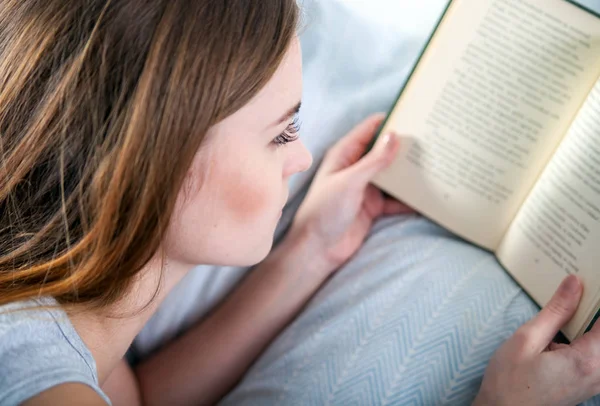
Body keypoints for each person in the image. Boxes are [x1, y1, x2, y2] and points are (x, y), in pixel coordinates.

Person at [1, 1, 599, 405]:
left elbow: (137, 398)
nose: (303, 158)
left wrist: (310, 249)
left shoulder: (49, 325)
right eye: (282, 132)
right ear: (154, 163)